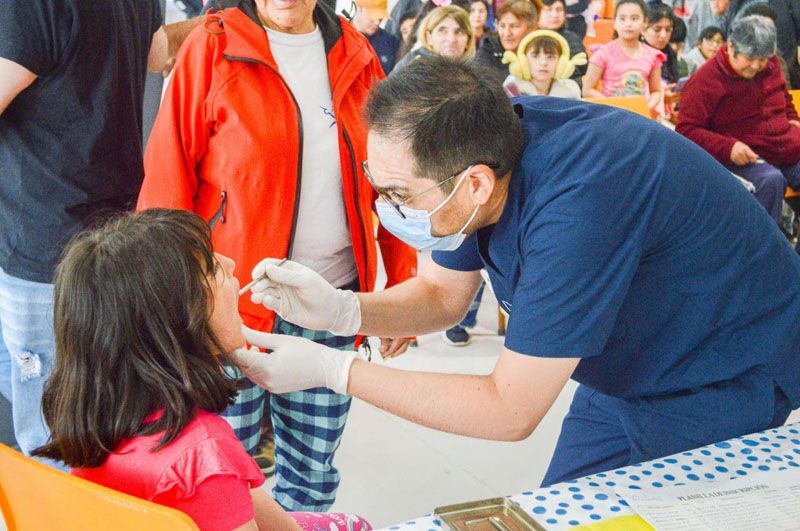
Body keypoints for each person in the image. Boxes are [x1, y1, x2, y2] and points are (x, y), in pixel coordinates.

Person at [227, 55, 800, 488]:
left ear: (473, 182)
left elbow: (510, 409)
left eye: (397, 193)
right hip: (625, 370)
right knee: (562, 510)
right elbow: (442, 296)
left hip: (720, 372)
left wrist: (334, 369)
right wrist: (344, 309)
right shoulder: (489, 155)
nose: (386, 207)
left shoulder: (579, 201)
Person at [138, 0, 417, 512]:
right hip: (228, 308)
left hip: (333, 303)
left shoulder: (357, 52)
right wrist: (164, 300)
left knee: (312, 469)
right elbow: (166, 178)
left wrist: (401, 292)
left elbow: (393, 179)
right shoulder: (213, 46)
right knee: (222, 468)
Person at [32, 209, 370, 531]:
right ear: (178, 322)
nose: (231, 263)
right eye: (211, 268)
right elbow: (213, 474)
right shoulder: (204, 454)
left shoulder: (99, 416)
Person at [0, 0, 168, 468]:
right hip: (110, 239)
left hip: (42, 244)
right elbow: (158, 54)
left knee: (49, 434)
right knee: (92, 413)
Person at [677, 16, 800, 224]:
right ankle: (760, 252)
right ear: (731, 47)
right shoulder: (705, 80)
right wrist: (729, 147)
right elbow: (686, 131)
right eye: (749, 58)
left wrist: (793, 120)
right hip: (744, 157)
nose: (755, 66)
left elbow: (784, 99)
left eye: (762, 59)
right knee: (770, 181)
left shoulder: (771, 64)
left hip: (784, 146)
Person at [582, 0, 664, 117]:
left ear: (645, 23)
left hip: (639, 116)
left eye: (634, 18)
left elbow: (656, 91)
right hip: (609, 115)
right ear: (614, 22)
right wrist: (612, 105)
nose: (628, 24)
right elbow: (587, 90)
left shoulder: (653, 56)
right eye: (622, 18)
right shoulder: (603, 52)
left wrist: (645, 108)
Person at [502, 29, 585, 97]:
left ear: (561, 62)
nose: (543, 63)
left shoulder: (571, 90)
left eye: (551, 57)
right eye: (535, 56)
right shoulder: (512, 88)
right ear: (523, 60)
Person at [475, 0, 539, 85]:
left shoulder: (541, 54)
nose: (507, 33)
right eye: (502, 26)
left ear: (531, 28)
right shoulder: (486, 55)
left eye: (514, 26)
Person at [395, 5, 476, 69]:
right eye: (442, 31)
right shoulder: (412, 67)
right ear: (428, 38)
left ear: (468, 41)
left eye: (459, 32)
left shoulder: (473, 72)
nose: (451, 39)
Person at [538, 0, 587, 88]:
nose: (555, 15)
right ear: (537, 11)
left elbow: (582, 69)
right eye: (549, 9)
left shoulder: (573, 39)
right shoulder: (527, 37)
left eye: (559, 10)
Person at [352, 3, 401, 74]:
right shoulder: (339, 36)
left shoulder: (391, 42)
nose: (377, 22)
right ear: (358, 7)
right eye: (373, 16)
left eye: (380, 18)